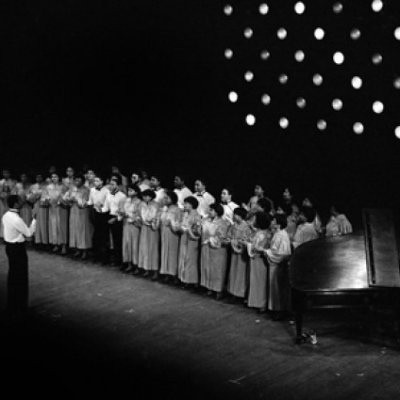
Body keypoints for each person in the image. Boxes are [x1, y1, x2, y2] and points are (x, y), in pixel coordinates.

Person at [2, 195, 36, 318]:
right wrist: (34, 220)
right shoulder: (16, 219)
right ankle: (21, 306)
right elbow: (28, 233)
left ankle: (12, 304)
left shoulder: (6, 215)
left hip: (9, 247)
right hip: (17, 248)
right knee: (21, 277)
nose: (22, 202)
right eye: (20, 201)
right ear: (16, 204)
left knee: (13, 276)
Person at [264, 213, 292, 320]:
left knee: (278, 288)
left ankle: (280, 310)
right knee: (275, 287)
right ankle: (276, 309)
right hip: (275, 265)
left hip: (278, 265)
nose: (271, 223)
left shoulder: (282, 235)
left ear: (278, 224)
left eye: (273, 221)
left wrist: (266, 252)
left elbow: (281, 253)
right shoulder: (278, 234)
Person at [200, 203, 230, 300]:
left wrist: (210, 240)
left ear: (217, 212)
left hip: (217, 250)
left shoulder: (222, 223)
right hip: (206, 248)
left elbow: (221, 237)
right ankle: (209, 287)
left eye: (211, 210)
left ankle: (218, 290)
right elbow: (202, 231)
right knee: (207, 267)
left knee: (217, 270)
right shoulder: (206, 220)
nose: (209, 212)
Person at [244, 212, 272, 312]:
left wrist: (247, 244)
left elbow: (257, 247)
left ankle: (261, 303)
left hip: (259, 259)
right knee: (256, 280)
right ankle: (257, 302)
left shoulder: (262, 234)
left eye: (255, 219)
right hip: (256, 260)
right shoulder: (264, 232)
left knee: (260, 281)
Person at [63, 175, 93, 260]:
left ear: (83, 181)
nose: (77, 182)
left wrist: (76, 199)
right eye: (76, 180)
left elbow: (87, 202)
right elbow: (65, 198)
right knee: (74, 230)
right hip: (73, 211)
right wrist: (69, 200)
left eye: (79, 180)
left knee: (83, 231)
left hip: (83, 212)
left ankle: (85, 250)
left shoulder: (86, 190)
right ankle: (77, 249)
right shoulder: (72, 189)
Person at [226, 207, 251, 299]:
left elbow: (246, 239)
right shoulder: (233, 225)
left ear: (240, 216)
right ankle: (232, 291)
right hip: (234, 252)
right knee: (233, 271)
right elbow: (229, 235)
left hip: (242, 254)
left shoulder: (246, 227)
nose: (234, 216)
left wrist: (238, 243)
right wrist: (230, 240)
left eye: (235, 214)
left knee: (241, 273)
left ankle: (240, 293)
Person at [102, 176, 127, 267]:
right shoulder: (108, 194)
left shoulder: (122, 196)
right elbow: (105, 207)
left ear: (118, 186)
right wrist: (100, 209)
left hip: (118, 219)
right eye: (110, 184)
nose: (111, 186)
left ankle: (119, 260)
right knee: (109, 239)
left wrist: (116, 218)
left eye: (113, 184)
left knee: (117, 241)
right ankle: (109, 258)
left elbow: (123, 211)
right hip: (109, 216)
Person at [178, 196, 201, 287]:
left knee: (190, 260)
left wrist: (189, 230)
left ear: (191, 205)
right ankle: (184, 279)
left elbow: (197, 231)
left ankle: (191, 281)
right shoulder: (185, 214)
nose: (184, 205)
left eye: (186, 203)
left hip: (192, 240)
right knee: (183, 258)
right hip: (184, 238)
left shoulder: (196, 216)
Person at [159, 190, 183, 281]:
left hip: (173, 234)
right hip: (164, 232)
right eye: (164, 198)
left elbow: (179, 223)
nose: (164, 199)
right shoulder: (164, 209)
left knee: (173, 253)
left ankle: (174, 274)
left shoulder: (177, 210)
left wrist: (172, 224)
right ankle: (166, 272)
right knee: (165, 252)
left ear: (172, 199)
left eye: (167, 198)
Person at [137, 189, 160, 279]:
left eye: (147, 196)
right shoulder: (141, 204)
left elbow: (156, 217)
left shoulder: (156, 205)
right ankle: (146, 269)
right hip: (144, 229)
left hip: (152, 229)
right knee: (144, 248)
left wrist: (150, 222)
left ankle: (155, 271)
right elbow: (139, 214)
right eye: (144, 196)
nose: (145, 198)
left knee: (153, 249)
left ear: (151, 196)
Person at [121, 184, 142, 273]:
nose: (129, 192)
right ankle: (129, 264)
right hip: (126, 225)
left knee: (134, 245)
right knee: (127, 244)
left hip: (134, 225)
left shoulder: (139, 202)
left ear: (136, 192)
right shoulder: (127, 200)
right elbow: (123, 210)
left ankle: (136, 266)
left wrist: (130, 216)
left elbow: (139, 215)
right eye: (128, 190)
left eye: (131, 190)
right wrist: (122, 213)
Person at [47, 172, 69, 254]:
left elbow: (67, 197)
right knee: (53, 226)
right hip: (52, 209)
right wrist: (49, 200)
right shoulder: (48, 187)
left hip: (61, 208)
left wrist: (60, 201)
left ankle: (63, 245)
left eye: (55, 176)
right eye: (52, 177)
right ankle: (56, 244)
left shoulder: (63, 187)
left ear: (59, 177)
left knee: (62, 227)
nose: (53, 178)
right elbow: (46, 196)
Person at [27, 173, 49, 248]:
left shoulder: (46, 186)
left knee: (44, 224)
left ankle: (45, 242)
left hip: (44, 207)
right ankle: (36, 241)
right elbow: (29, 197)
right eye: (37, 177)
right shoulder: (33, 186)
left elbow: (48, 196)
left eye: (40, 176)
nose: (38, 178)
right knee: (35, 223)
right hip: (36, 206)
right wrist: (35, 196)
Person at [0, 169, 16, 239]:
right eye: (4, 173)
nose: (5, 174)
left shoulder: (13, 182)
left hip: (10, 202)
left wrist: (9, 196)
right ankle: (2, 236)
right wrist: (2, 196)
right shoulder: (1, 182)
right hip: (2, 202)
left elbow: (14, 192)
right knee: (2, 219)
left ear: (9, 174)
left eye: (7, 173)